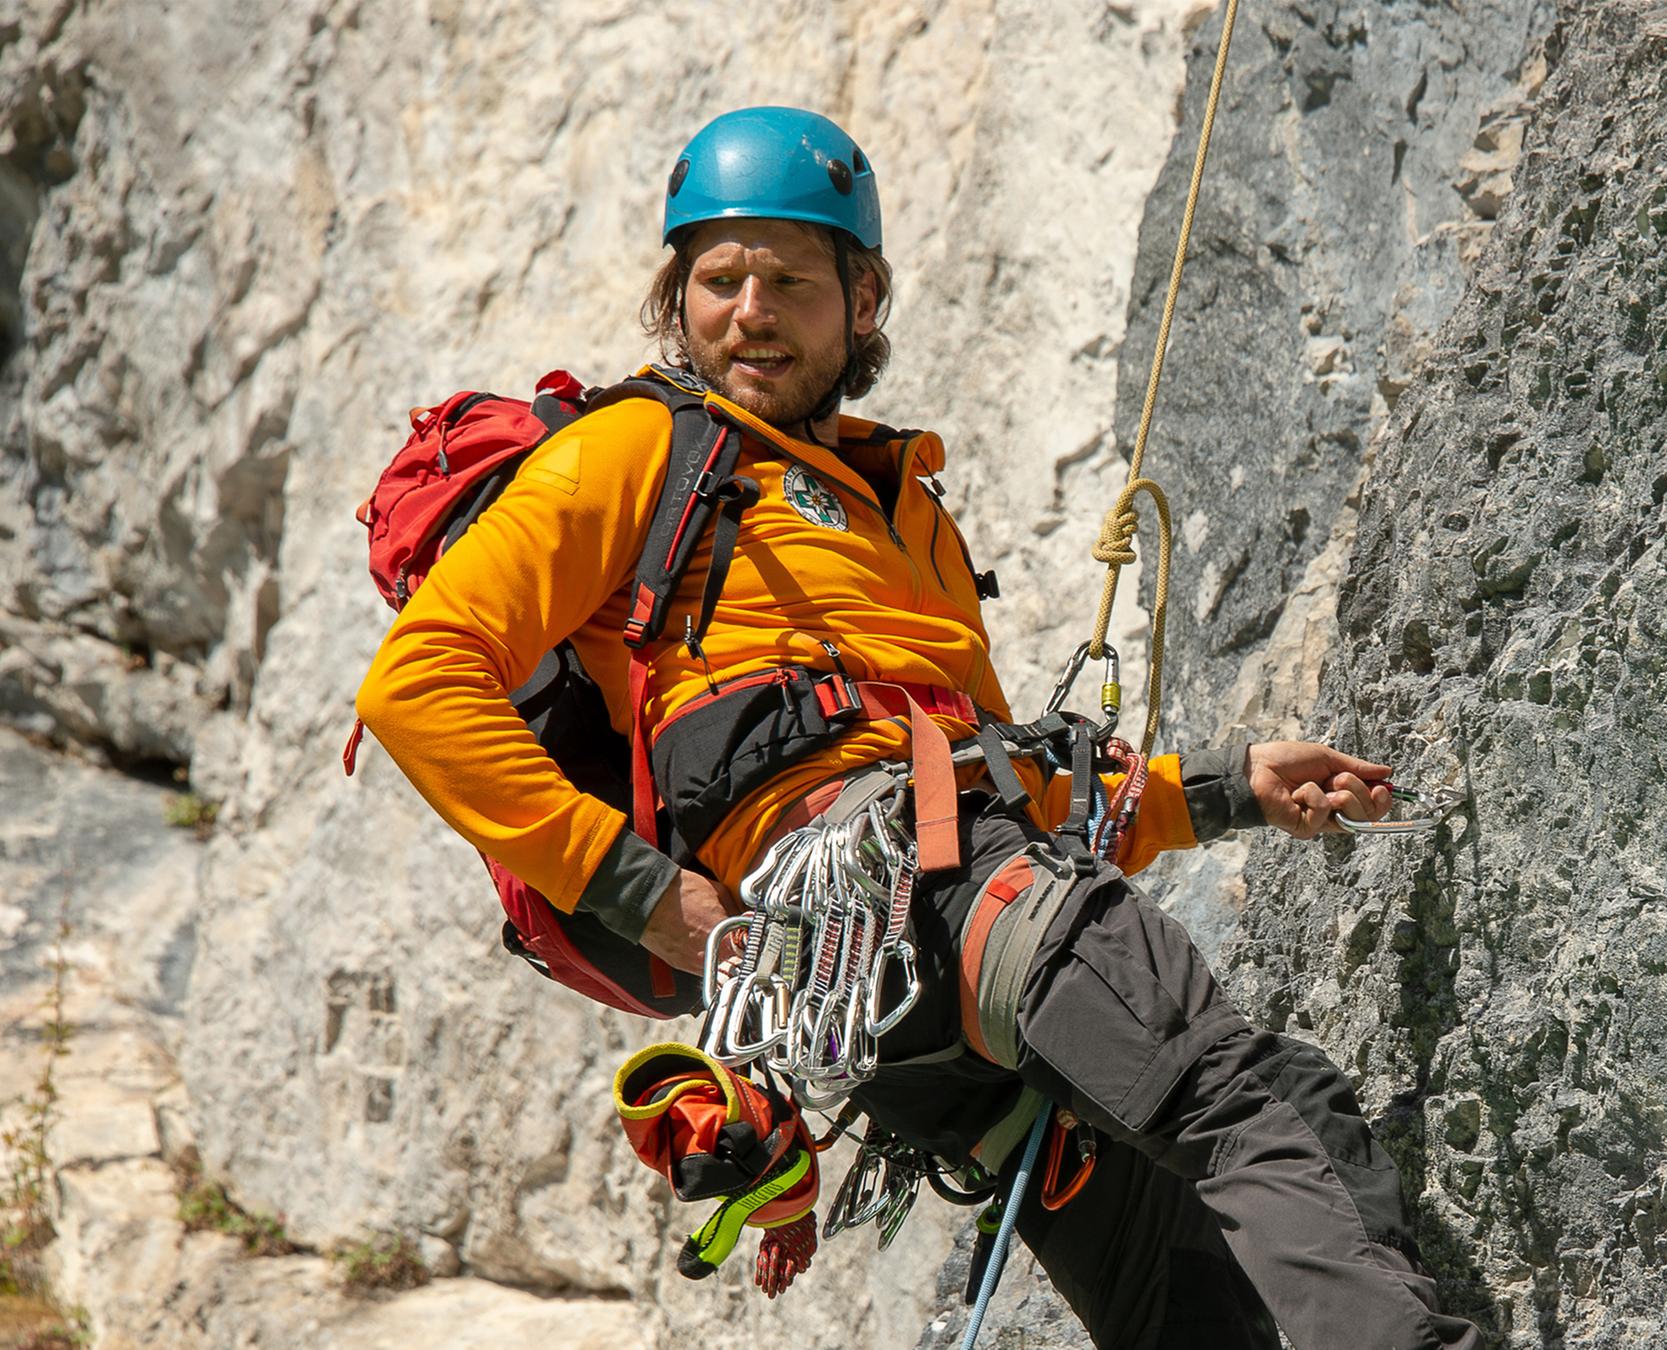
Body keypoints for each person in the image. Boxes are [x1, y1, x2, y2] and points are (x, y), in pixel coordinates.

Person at [355, 105, 1480, 1350]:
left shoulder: (908, 515)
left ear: (864, 299)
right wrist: (642, 890)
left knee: (1237, 1209)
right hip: (883, 895)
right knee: (1228, 1087)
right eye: (716, 279)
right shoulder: (639, 449)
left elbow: (990, 782)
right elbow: (420, 683)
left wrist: (1221, 789)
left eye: (788, 279)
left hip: (923, 952)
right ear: (678, 300)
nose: (748, 308)